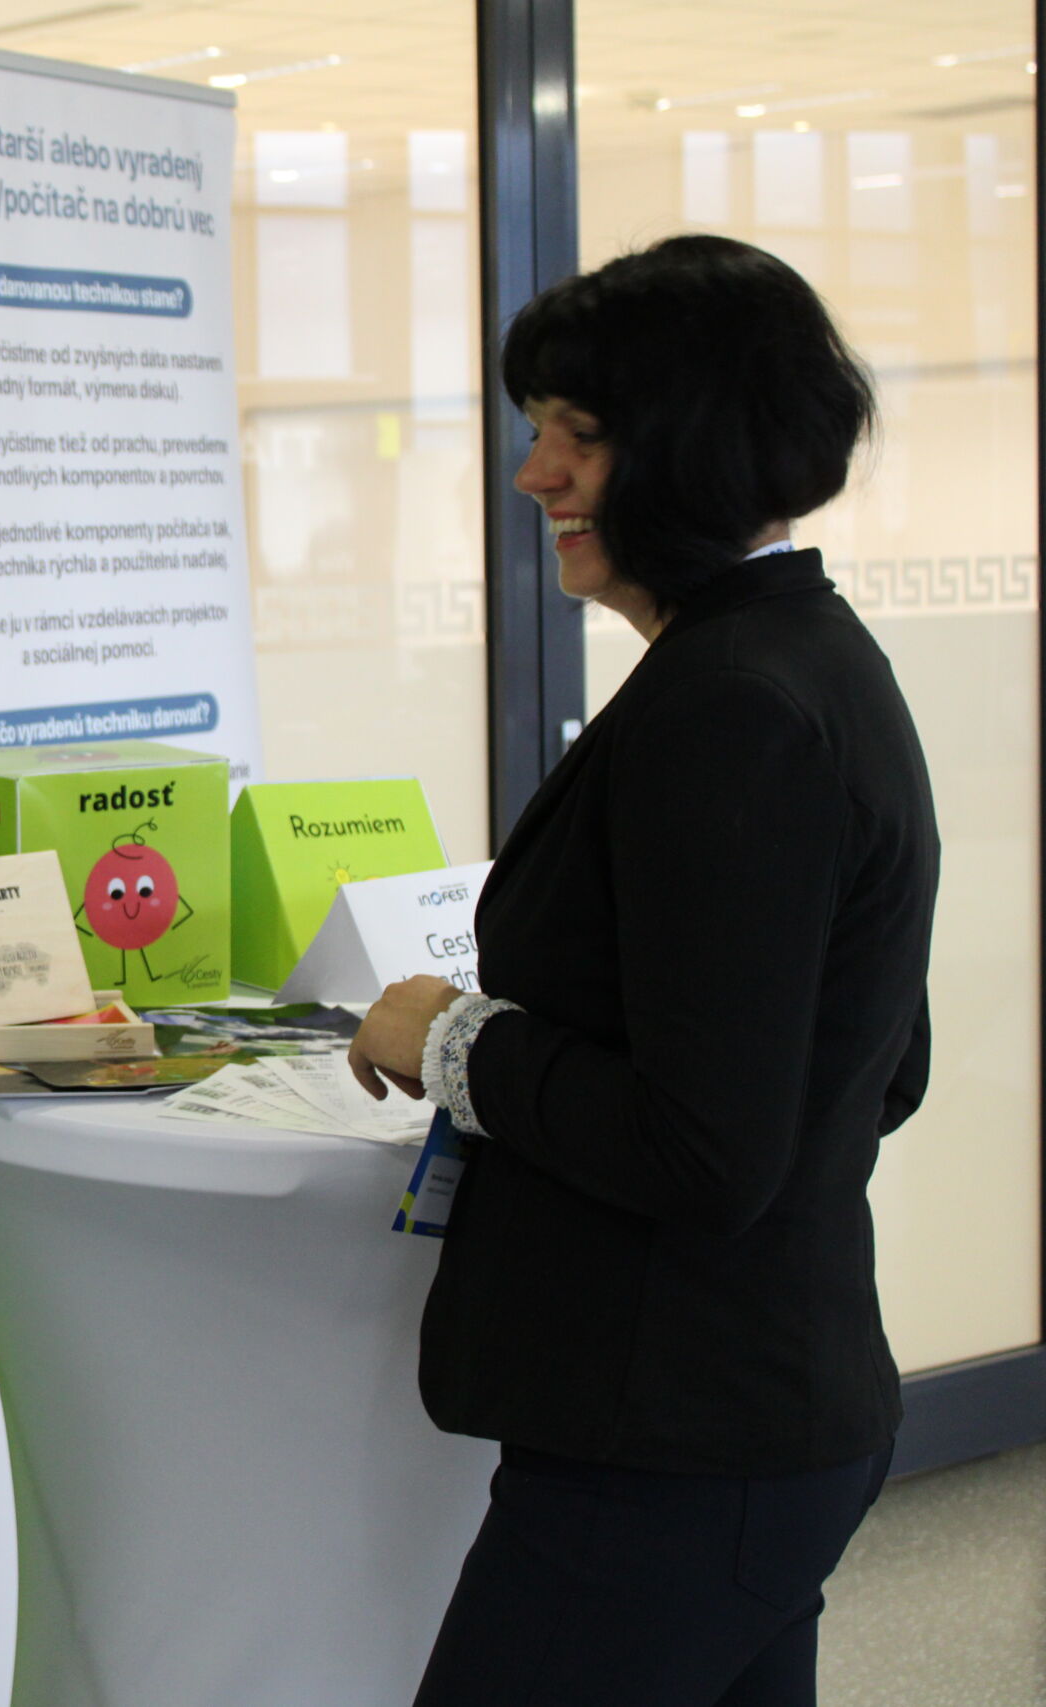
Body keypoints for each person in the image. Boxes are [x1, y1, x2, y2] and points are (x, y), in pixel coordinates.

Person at [346, 234, 939, 1706]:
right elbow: (886, 1064)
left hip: (675, 1443)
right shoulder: (803, 658)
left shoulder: (728, 708)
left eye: (580, 435)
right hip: (745, 1419)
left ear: (694, 446)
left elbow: (706, 1146)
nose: (533, 473)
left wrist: (452, 1039)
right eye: (536, 427)